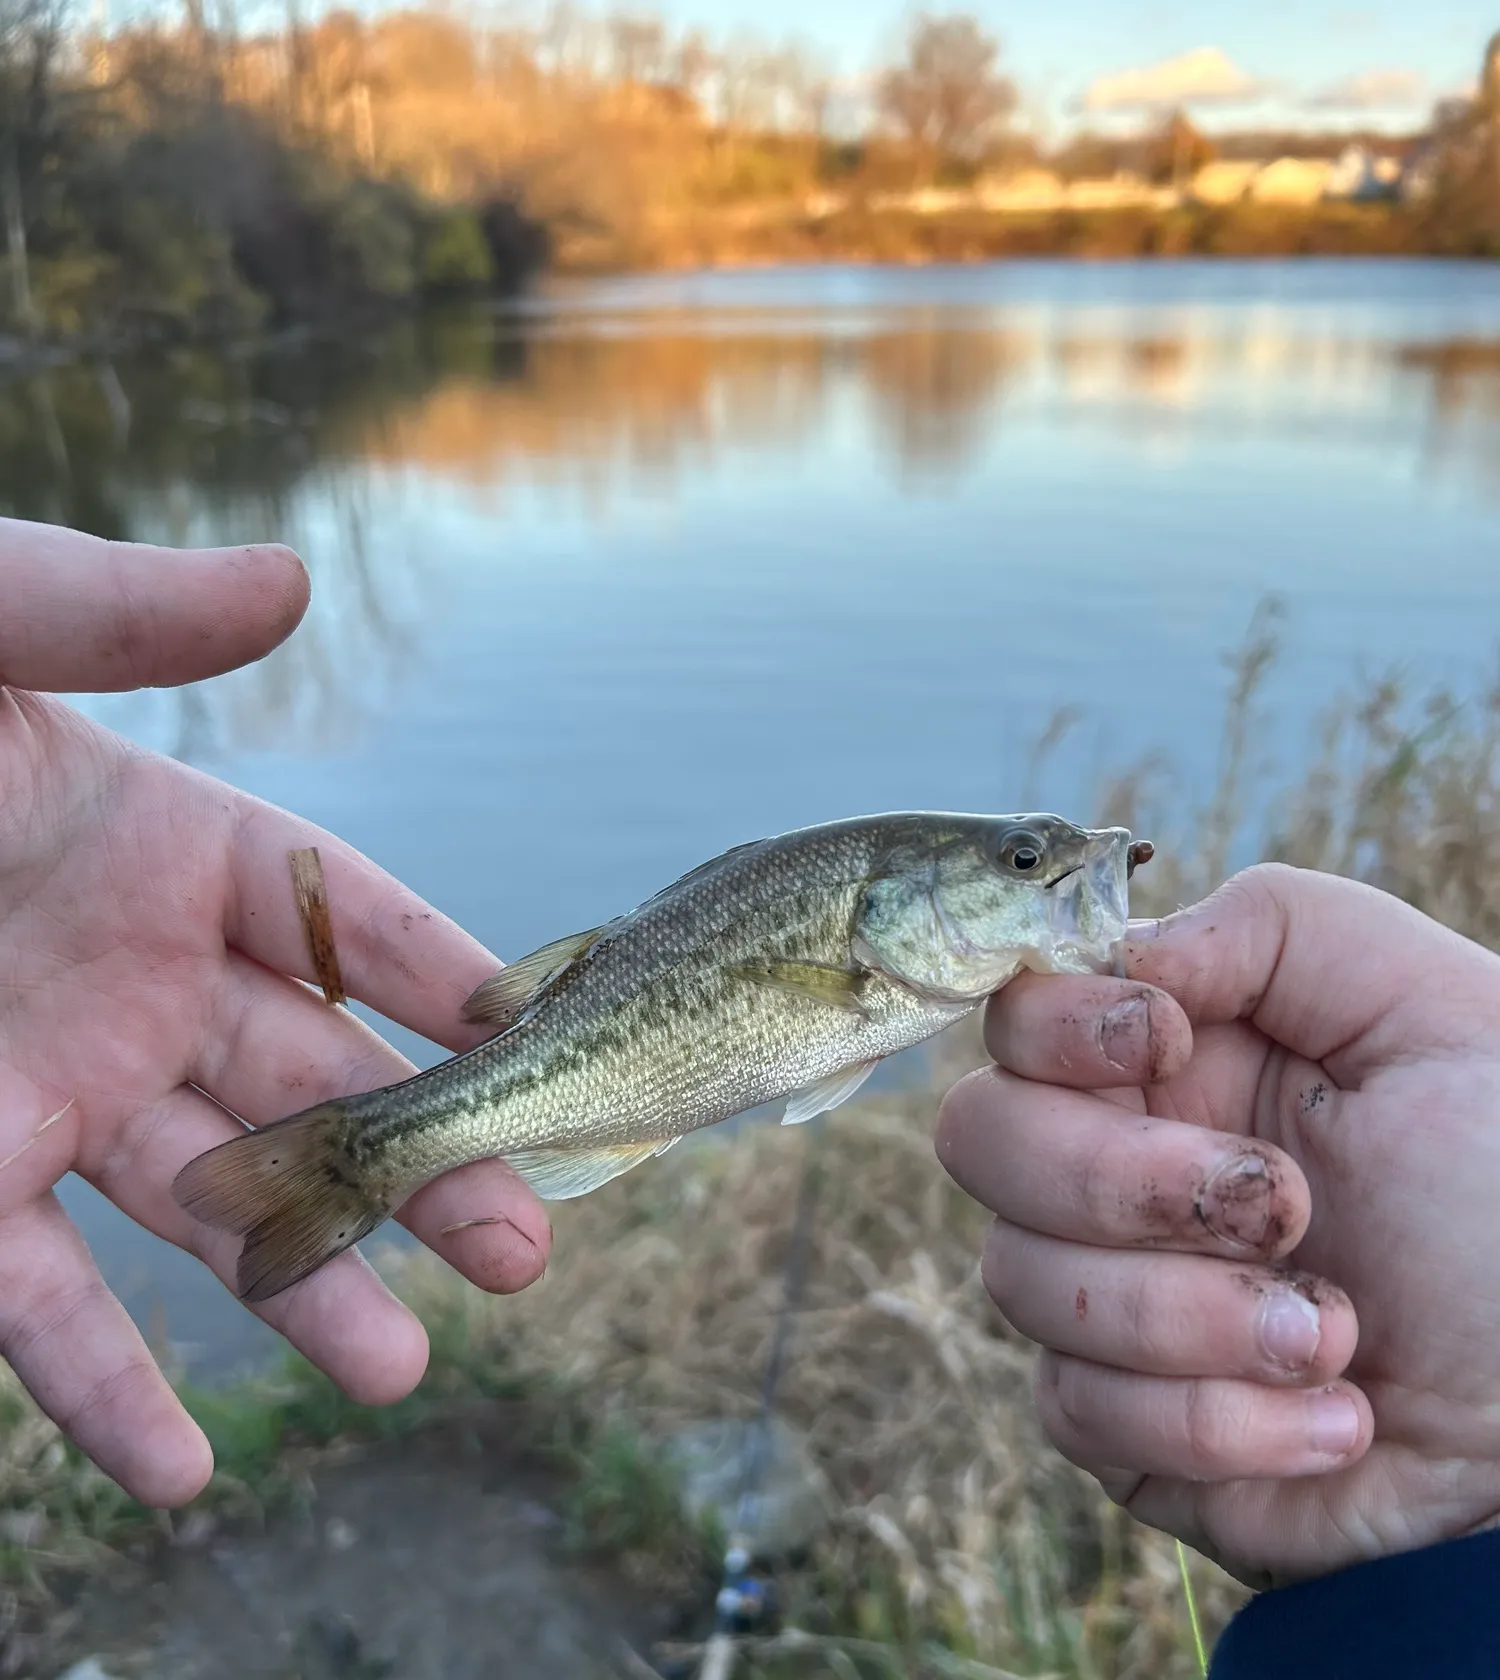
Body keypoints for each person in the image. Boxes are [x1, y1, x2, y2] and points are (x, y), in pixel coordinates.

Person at [3, 518, 1498, 1672]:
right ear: (896, 913)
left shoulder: (883, 971)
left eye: (1046, 863)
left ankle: (366, 1157)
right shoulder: (846, 960)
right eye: (1024, 867)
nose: (1065, 876)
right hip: (603, 1056)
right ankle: (357, 1160)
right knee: (473, 1133)